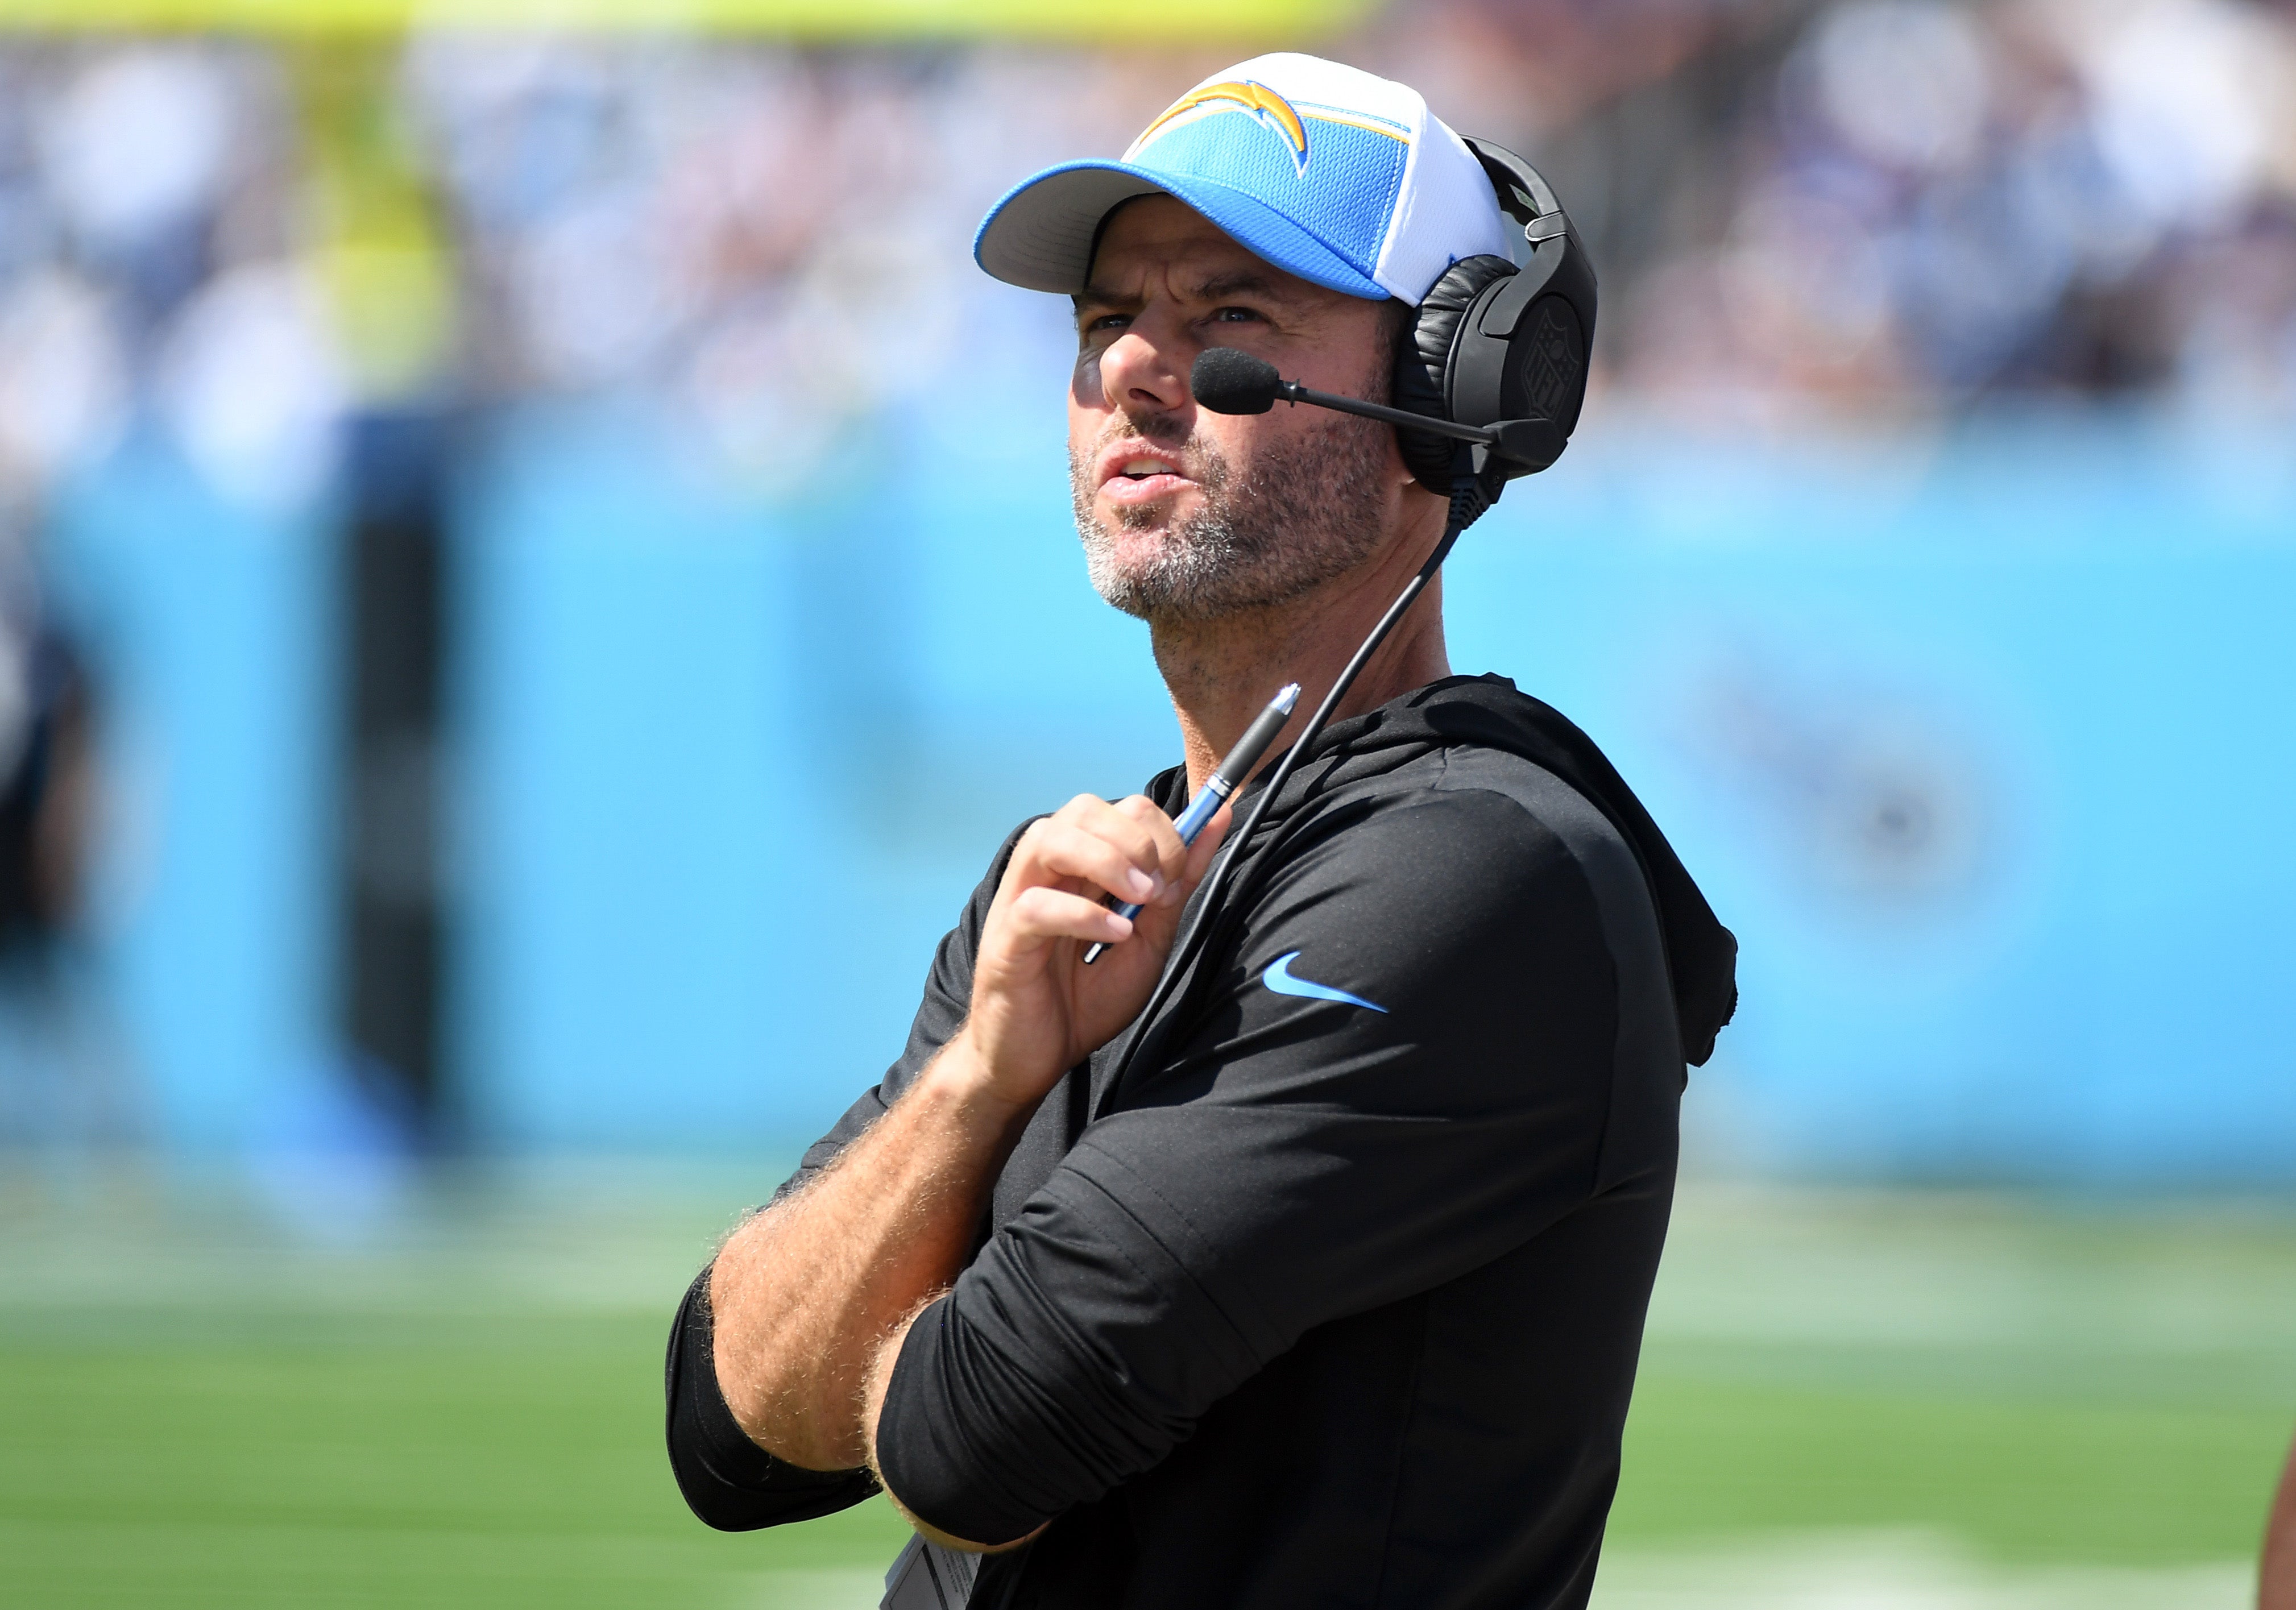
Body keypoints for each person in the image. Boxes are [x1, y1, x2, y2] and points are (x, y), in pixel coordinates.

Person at [664, 53, 1735, 1609]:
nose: (1141, 373)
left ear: (1451, 387)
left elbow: (974, 1440)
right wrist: (976, 1086)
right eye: (1108, 323)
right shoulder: (1076, 880)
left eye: (1233, 315)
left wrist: (895, 1340)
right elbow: (728, 1436)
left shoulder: (1480, 873)